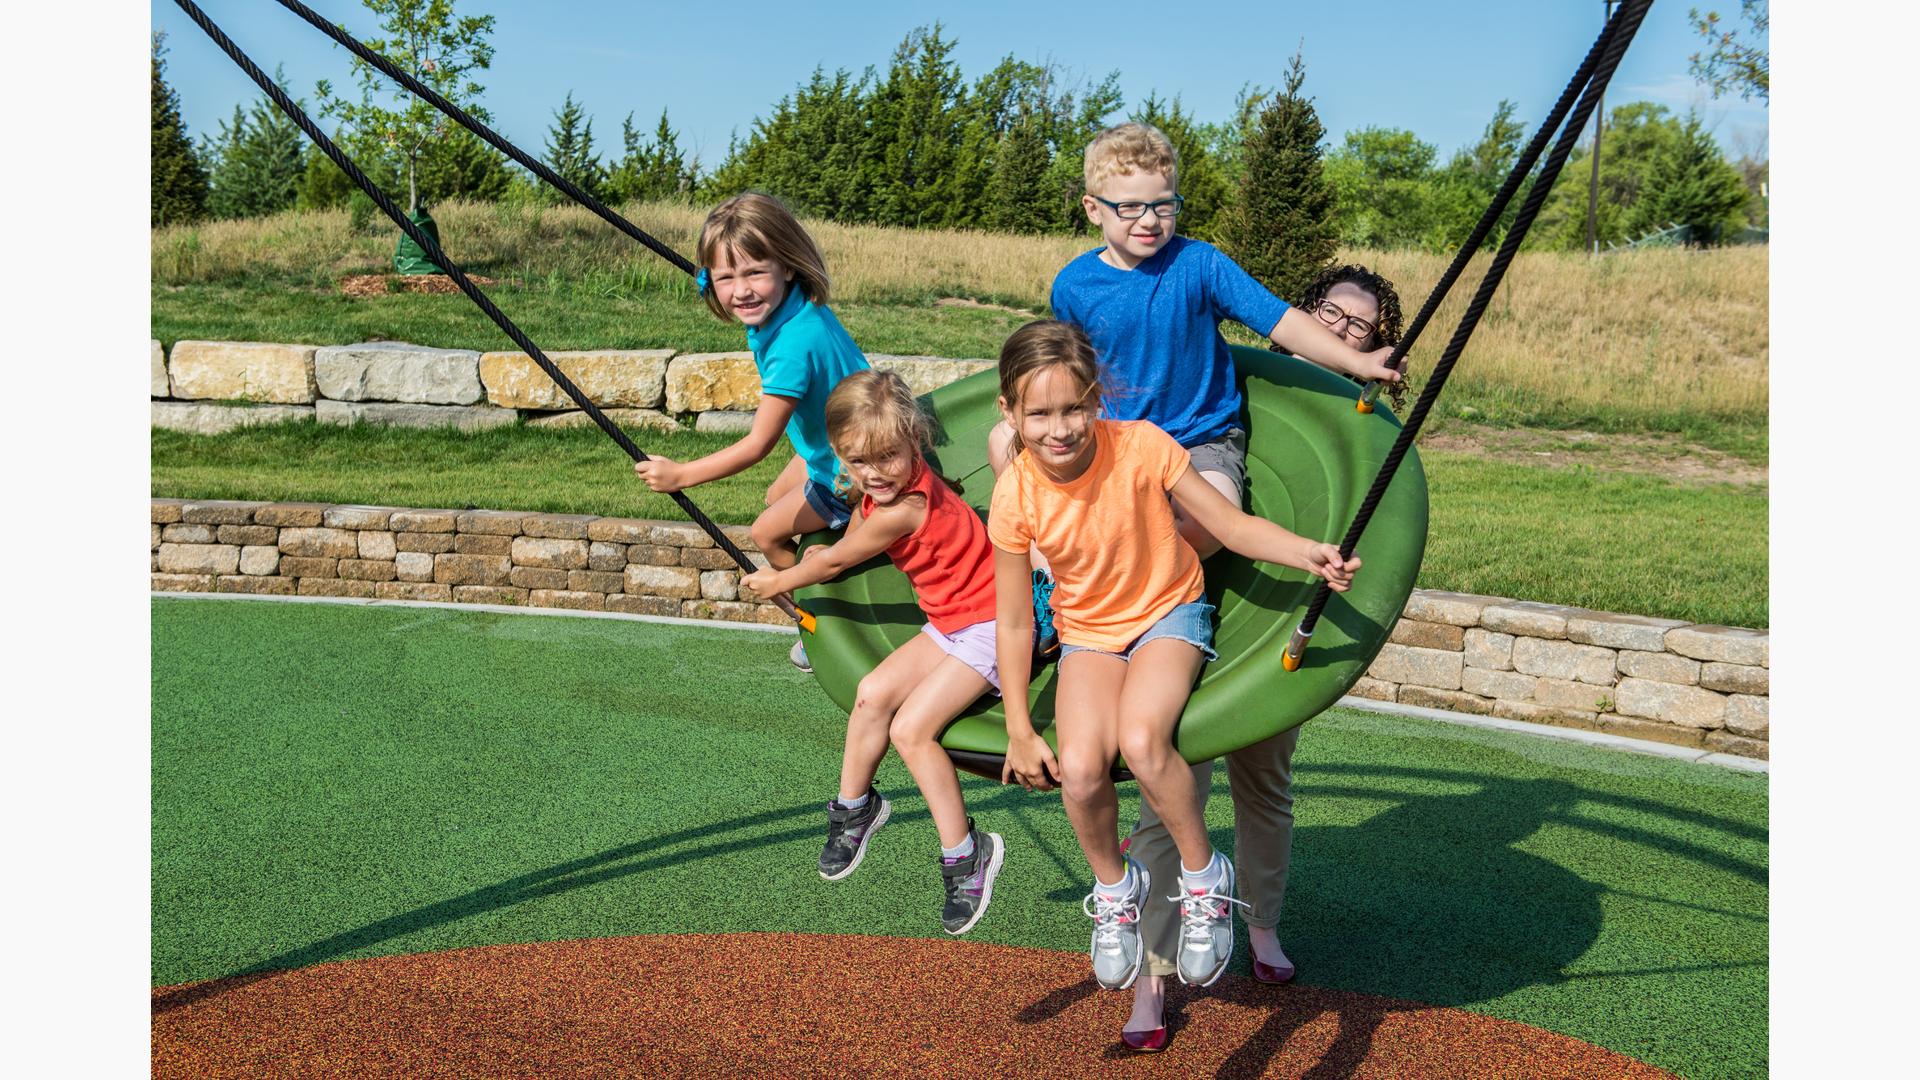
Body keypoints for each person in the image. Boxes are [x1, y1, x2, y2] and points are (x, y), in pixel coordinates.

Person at [984, 122, 1396, 1050]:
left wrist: (1361, 362)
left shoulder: (1201, 263)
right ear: (1094, 208)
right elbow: (1053, 369)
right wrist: (1048, 441)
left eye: (1162, 203)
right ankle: (1072, 579)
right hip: (1103, 448)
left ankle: (1131, 595)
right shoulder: (1075, 284)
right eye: (1129, 207)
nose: (1148, 220)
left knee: (1193, 521)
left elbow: (1279, 321)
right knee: (1010, 458)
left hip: (1191, 451)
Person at [740, 370, 1006, 935]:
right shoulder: (879, 484)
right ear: (842, 455)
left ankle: (967, 855)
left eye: (888, 456)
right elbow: (848, 488)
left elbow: (836, 560)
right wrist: (844, 476)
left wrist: (777, 582)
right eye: (859, 461)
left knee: (911, 730)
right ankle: (855, 807)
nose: (877, 473)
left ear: (916, 442)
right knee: (870, 695)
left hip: (993, 626)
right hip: (949, 623)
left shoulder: (903, 506)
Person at [634, 192, 868, 673]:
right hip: (838, 443)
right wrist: (713, 276)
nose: (741, 291)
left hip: (850, 470)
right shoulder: (797, 305)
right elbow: (732, 279)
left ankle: (821, 618)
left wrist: (681, 475)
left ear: (787, 265)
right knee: (775, 496)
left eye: (754, 273)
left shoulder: (792, 347)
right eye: (725, 278)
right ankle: (831, 561)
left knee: (766, 534)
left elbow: (758, 444)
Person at [1297, 262, 1411, 411]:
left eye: (1358, 325)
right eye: (1331, 311)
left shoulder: (1360, 417)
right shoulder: (1259, 371)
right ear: (1308, 311)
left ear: (1371, 347)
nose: (1338, 329)